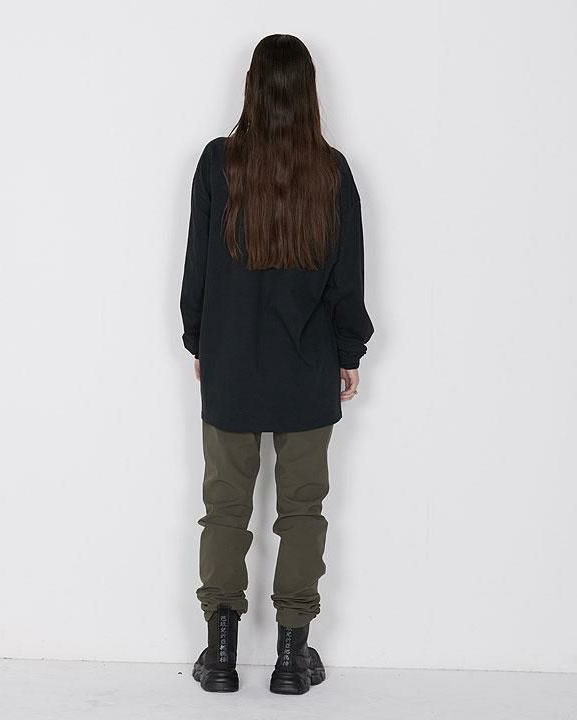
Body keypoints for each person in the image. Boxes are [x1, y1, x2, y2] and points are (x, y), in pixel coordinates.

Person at [180, 34, 374, 695]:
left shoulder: (218, 163)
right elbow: (348, 278)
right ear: (308, 92)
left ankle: (221, 656)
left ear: (253, 87)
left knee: (224, 509)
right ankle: (292, 657)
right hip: (306, 368)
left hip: (231, 363)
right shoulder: (331, 171)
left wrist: (199, 341)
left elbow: (198, 268)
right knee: (303, 512)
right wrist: (348, 352)